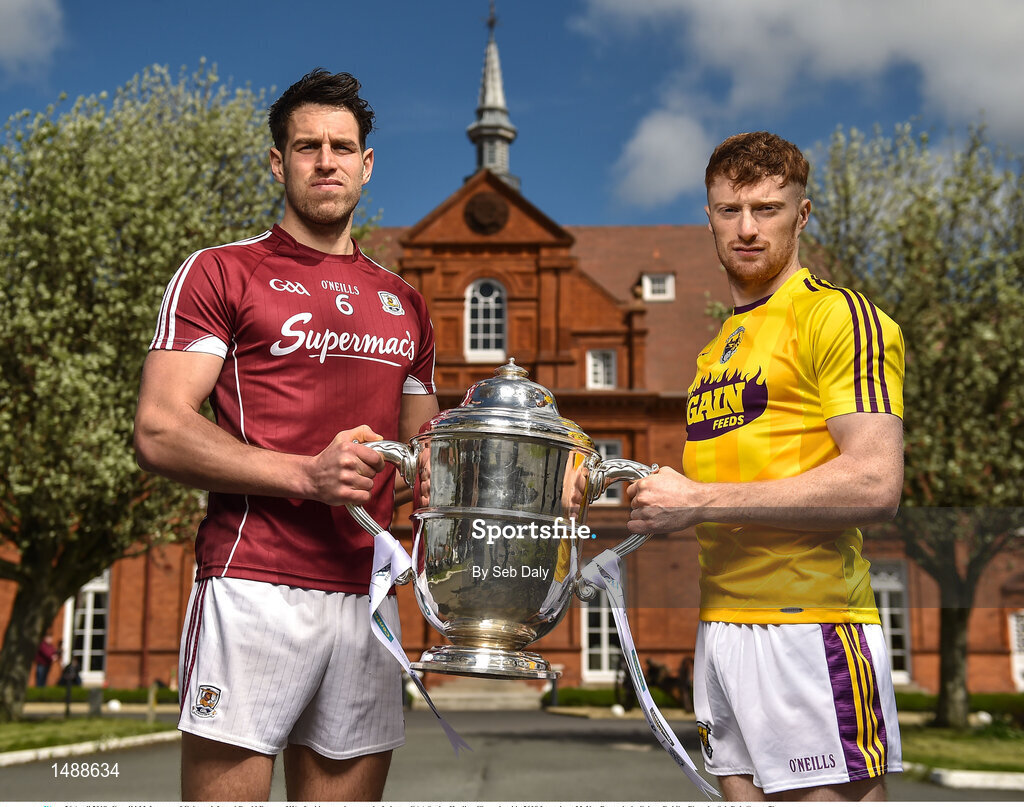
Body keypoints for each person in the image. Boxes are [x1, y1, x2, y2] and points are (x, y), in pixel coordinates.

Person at [134, 68, 438, 802]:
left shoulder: (407, 304)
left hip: (365, 599)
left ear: (367, 164)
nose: (326, 161)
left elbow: (430, 460)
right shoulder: (221, 273)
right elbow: (160, 428)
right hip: (252, 584)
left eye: (342, 147)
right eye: (307, 147)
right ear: (279, 162)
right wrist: (306, 474)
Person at [626, 131, 904, 801]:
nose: (747, 228)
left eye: (768, 209)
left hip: (811, 625)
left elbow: (874, 481)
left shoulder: (838, 317)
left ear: (801, 215)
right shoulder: (716, 349)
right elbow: (717, 482)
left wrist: (699, 502)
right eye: (729, 210)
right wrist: (620, 480)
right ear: (711, 217)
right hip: (723, 627)